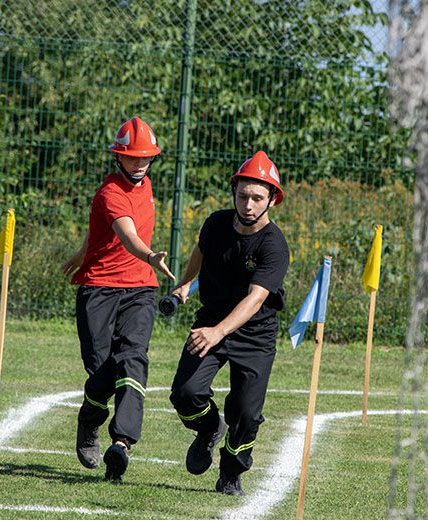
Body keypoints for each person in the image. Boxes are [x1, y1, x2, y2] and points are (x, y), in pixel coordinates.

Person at [168, 150, 289, 496]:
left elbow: (255, 299)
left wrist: (218, 332)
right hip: (211, 320)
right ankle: (209, 429)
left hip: (255, 334)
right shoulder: (216, 223)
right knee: (185, 393)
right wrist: (186, 283)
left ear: (272, 200)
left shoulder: (274, 245)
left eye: (257, 198)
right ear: (234, 192)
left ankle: (231, 472)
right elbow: (200, 252)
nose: (248, 204)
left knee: (247, 415)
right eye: (243, 195)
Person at [62, 116, 175, 482]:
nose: (140, 163)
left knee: (133, 359)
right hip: (100, 288)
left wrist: (85, 249)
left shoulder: (147, 184)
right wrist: (150, 256)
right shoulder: (110, 192)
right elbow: (125, 234)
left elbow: (106, 232)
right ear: (118, 157)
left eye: (146, 157)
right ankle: (89, 420)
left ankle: (122, 444)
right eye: (132, 157)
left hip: (140, 289)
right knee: (102, 372)